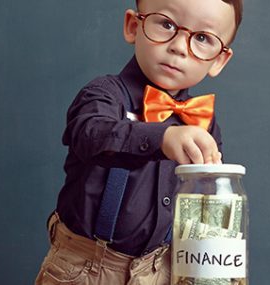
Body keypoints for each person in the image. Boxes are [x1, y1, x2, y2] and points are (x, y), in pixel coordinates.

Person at [35, 0, 243, 283]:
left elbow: (204, 200)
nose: (179, 47)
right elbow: (89, 133)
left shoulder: (202, 122)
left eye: (203, 38)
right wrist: (163, 137)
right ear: (134, 26)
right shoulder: (104, 94)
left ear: (218, 59)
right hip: (88, 267)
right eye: (167, 24)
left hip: (162, 268)